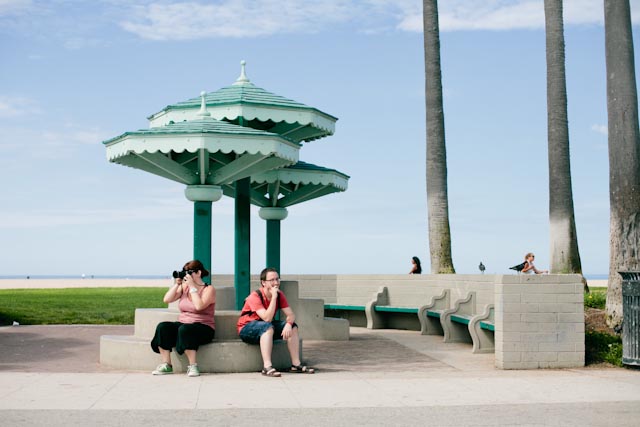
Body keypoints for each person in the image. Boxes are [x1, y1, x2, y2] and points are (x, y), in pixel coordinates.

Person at [237, 267, 315, 377]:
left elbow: (291, 315)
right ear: (263, 282)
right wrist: (273, 297)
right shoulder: (254, 297)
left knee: (293, 327)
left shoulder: (280, 295)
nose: (276, 283)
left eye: (277, 279)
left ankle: (296, 364)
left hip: (266, 327)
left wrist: (288, 324)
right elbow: (267, 318)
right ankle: (267, 366)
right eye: (272, 280)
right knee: (267, 326)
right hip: (247, 329)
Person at [150, 259, 216, 377]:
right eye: (184, 272)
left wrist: (192, 287)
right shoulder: (184, 288)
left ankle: (193, 366)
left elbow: (199, 306)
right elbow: (167, 299)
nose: (187, 275)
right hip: (184, 323)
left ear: (198, 273)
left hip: (204, 326)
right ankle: (167, 364)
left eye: (189, 272)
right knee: (163, 327)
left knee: (185, 329)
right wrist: (177, 284)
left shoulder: (208, 289)